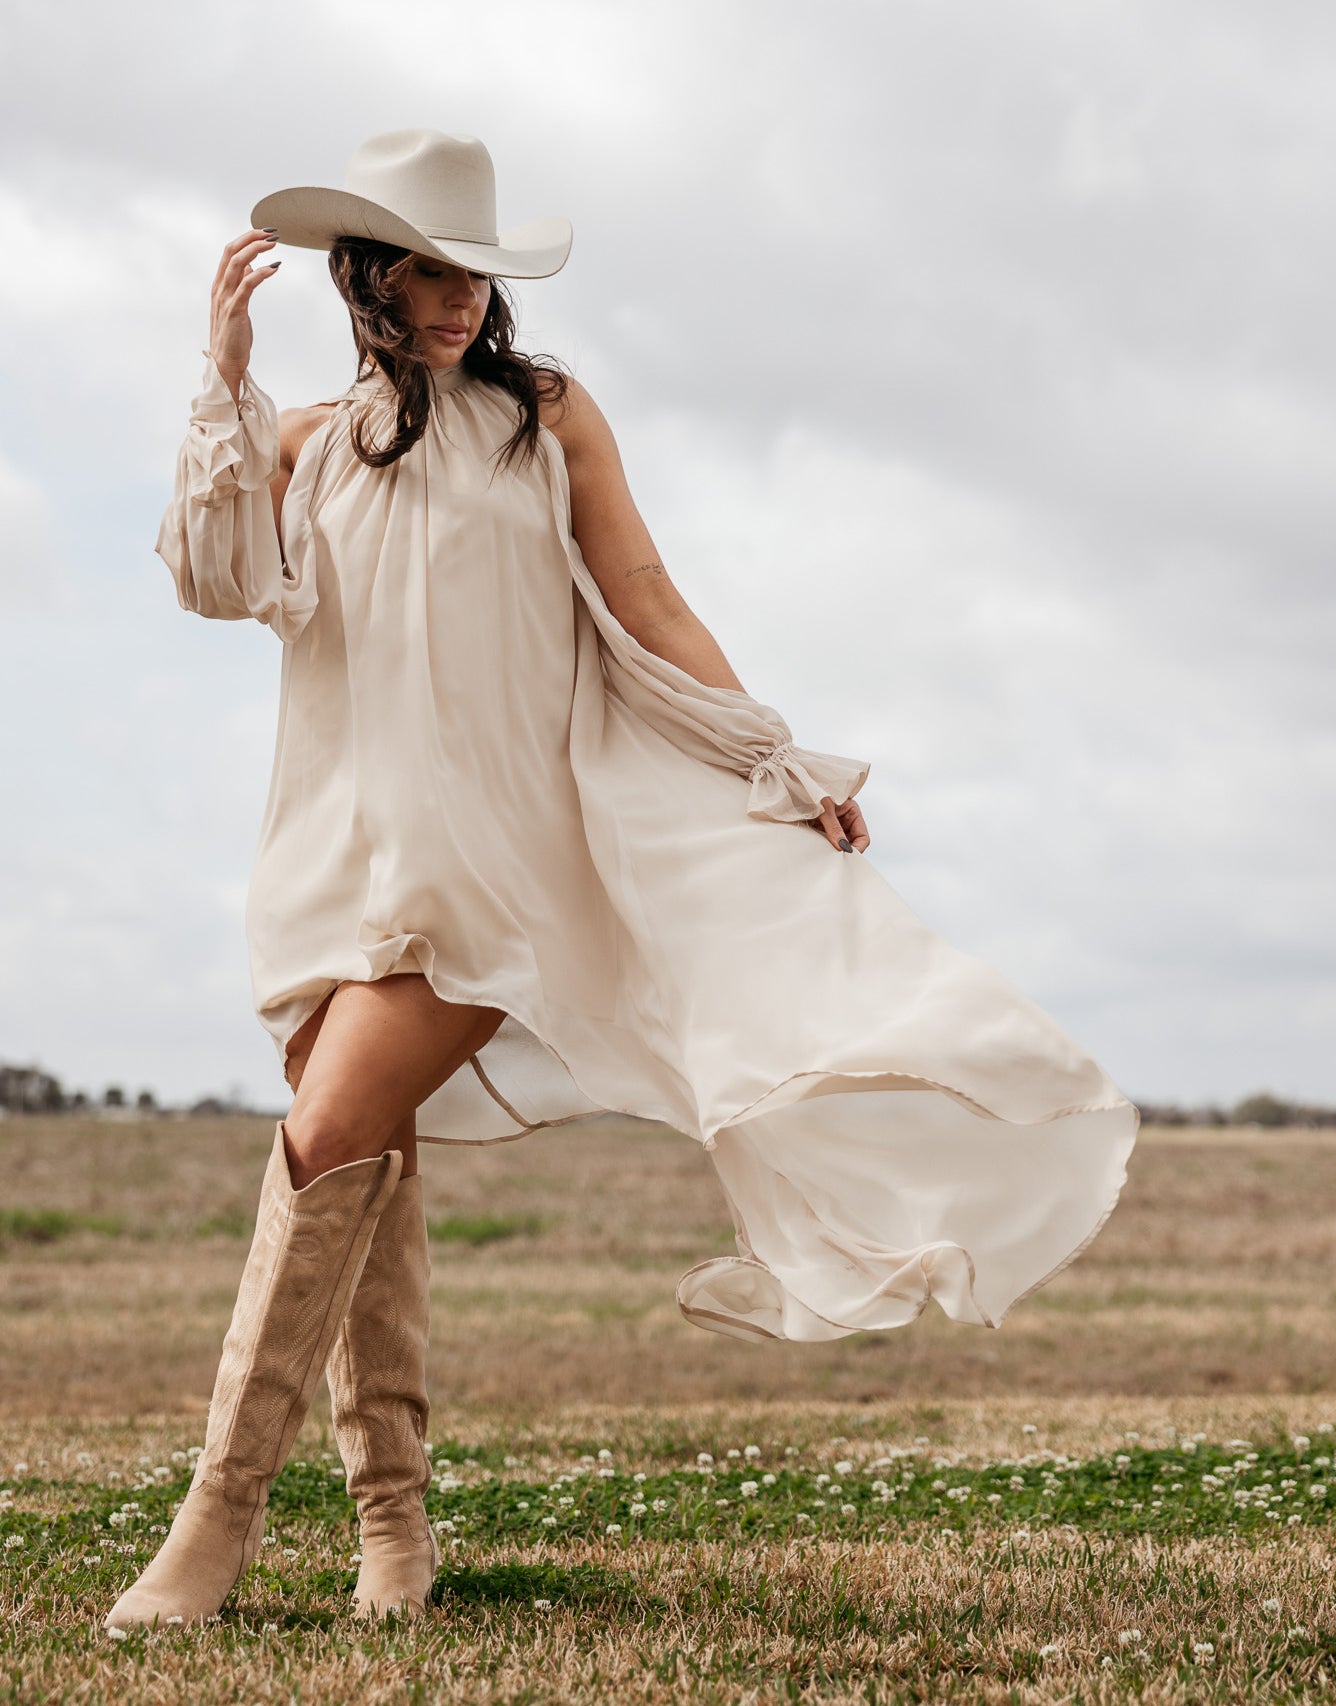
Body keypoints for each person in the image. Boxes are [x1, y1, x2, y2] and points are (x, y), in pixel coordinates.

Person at [104, 129, 1139, 1633]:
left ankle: (213, 1524)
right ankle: (393, 1524)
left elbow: (645, 598)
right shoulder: (301, 441)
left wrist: (764, 753)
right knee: (364, 1153)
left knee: (328, 1132)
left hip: (495, 854)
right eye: (431, 270)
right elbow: (214, 578)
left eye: (477, 272)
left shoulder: (548, 419)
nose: (460, 298)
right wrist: (221, 371)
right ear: (370, 277)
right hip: (332, 843)